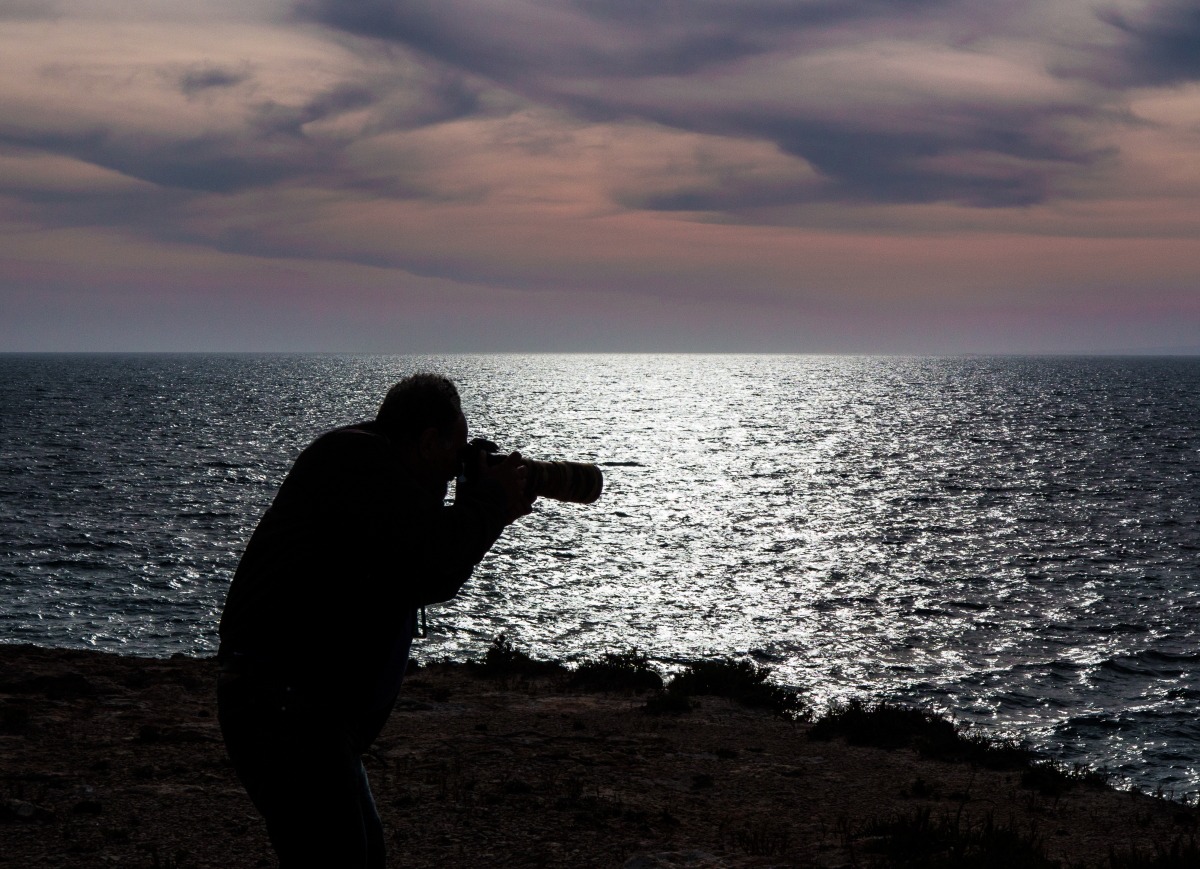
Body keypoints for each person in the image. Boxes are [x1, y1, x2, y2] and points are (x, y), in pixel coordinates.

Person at [216, 373, 533, 868]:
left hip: (305, 711)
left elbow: (431, 576)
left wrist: (487, 509)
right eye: (454, 456)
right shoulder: (357, 464)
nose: (453, 473)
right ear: (429, 440)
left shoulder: (370, 468)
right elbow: (434, 559)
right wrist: (487, 503)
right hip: (284, 707)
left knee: (359, 855)